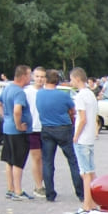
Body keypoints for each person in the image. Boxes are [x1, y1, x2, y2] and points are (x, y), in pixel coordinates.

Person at [36, 69, 82, 204]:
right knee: (72, 160)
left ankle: (50, 193)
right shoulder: (63, 95)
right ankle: (80, 192)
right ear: (57, 81)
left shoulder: (40, 94)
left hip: (46, 128)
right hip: (63, 128)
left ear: (46, 80)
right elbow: (72, 110)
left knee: (48, 162)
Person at [68, 67, 108, 214]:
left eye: (72, 79)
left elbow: (82, 118)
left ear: (77, 79)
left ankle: (87, 205)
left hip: (83, 138)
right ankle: (93, 203)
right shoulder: (91, 94)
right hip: (90, 137)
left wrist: (75, 135)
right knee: (91, 171)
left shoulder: (80, 96)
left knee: (85, 172)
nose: (71, 81)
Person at [0, 65, 34, 199]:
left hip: (7, 128)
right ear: (23, 76)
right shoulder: (19, 92)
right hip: (17, 133)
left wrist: (5, 117)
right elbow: (17, 110)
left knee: (9, 160)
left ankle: (10, 188)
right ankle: (18, 191)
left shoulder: (8, 88)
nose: (31, 78)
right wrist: (18, 125)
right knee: (18, 161)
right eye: (30, 75)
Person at [24, 66, 47, 196]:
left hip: (45, 128)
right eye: (37, 76)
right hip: (32, 128)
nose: (40, 79)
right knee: (36, 157)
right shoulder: (27, 92)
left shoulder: (47, 91)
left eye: (42, 76)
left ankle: (44, 183)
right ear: (33, 77)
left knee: (46, 158)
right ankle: (38, 186)